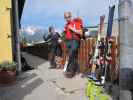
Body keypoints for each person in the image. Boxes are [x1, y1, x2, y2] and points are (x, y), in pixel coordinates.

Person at [63, 11, 83, 77]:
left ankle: (70, 71)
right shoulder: (66, 25)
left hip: (75, 41)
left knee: (71, 55)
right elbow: (66, 34)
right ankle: (77, 70)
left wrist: (73, 29)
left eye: (68, 17)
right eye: (65, 17)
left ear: (71, 16)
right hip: (68, 42)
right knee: (73, 57)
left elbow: (81, 33)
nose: (67, 18)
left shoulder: (75, 23)